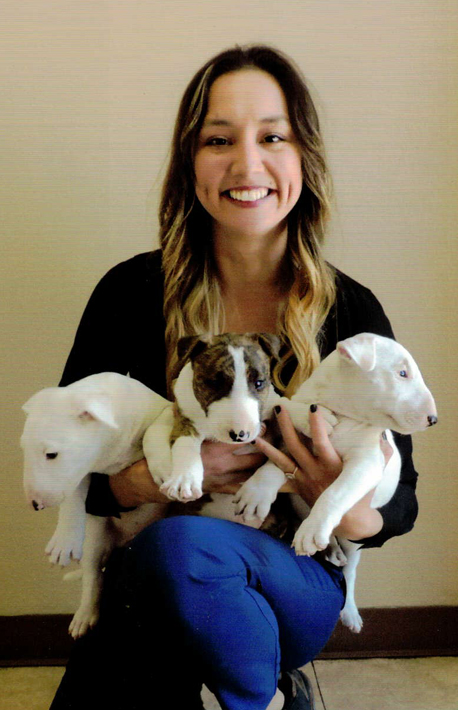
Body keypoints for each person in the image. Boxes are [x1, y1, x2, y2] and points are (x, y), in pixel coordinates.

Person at [49, 45, 418, 710]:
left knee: (180, 548)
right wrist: (154, 477)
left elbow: (401, 507)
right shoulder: (129, 293)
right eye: (219, 140)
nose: (247, 164)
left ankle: (256, 678)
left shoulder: (352, 315)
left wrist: (333, 494)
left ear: (303, 155)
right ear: (189, 161)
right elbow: (66, 461)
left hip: (294, 580)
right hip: (147, 580)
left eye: (273, 137)